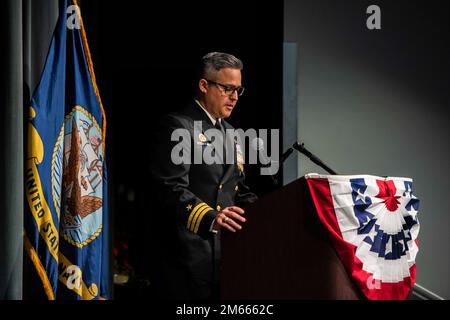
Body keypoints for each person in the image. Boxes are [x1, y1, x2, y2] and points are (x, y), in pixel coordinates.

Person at [148, 52, 257, 300]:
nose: (234, 97)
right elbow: (169, 188)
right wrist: (211, 217)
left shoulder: (232, 133)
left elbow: (237, 190)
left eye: (239, 90)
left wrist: (270, 212)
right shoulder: (178, 126)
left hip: (224, 258)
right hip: (186, 257)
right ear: (204, 85)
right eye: (228, 88)